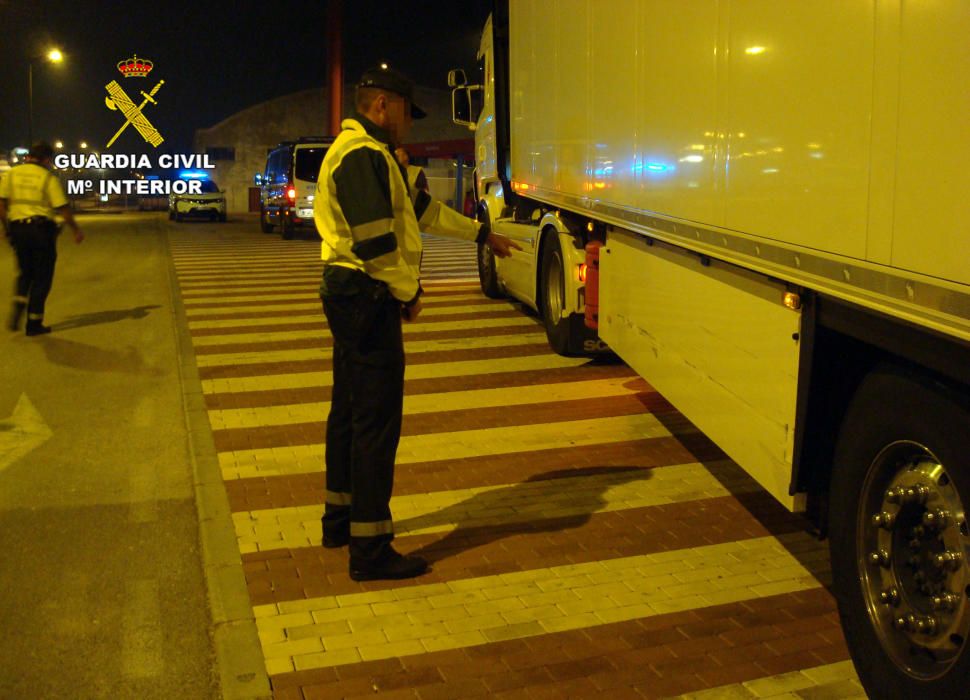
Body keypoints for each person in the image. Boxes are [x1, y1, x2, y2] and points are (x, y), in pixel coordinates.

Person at [313, 65, 519, 581]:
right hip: (367, 295)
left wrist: (480, 234)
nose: (410, 124)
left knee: (349, 412)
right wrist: (409, 293)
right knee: (375, 426)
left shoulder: (372, 155)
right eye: (406, 112)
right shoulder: (362, 156)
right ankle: (371, 549)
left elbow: (419, 211)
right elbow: (378, 244)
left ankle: (339, 521)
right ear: (382, 106)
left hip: (350, 294)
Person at [0, 141, 83, 335]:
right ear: (47, 159)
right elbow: (63, 208)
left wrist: (7, 228)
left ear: (29, 155)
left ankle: (19, 302)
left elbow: (1, 204)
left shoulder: (10, 175)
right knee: (42, 277)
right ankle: (34, 323)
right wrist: (75, 229)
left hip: (18, 230)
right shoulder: (47, 178)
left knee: (24, 272)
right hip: (41, 232)